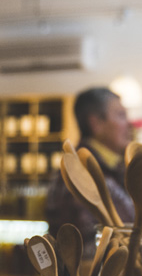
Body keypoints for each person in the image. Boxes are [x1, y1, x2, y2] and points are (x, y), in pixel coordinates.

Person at [46, 87, 135, 256]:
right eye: (121, 115)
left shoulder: (112, 170)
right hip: (98, 273)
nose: (130, 124)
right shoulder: (78, 175)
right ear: (96, 124)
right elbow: (86, 249)